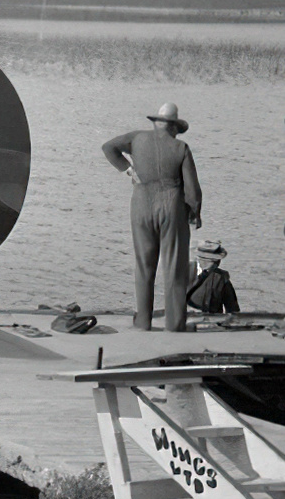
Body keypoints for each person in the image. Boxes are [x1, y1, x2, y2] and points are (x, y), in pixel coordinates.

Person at [101, 103, 203, 332]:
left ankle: (143, 321)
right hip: (172, 207)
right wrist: (195, 212)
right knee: (175, 266)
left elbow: (108, 147)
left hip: (141, 205)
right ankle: (175, 324)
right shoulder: (180, 147)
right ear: (173, 126)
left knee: (144, 265)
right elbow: (192, 189)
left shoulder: (136, 138)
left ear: (156, 123)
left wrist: (127, 169)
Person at [188, 239, 240, 315]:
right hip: (188, 321)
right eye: (204, 259)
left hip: (214, 323)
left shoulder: (221, 278)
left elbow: (232, 309)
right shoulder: (183, 273)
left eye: (216, 260)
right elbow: (172, 302)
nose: (217, 263)